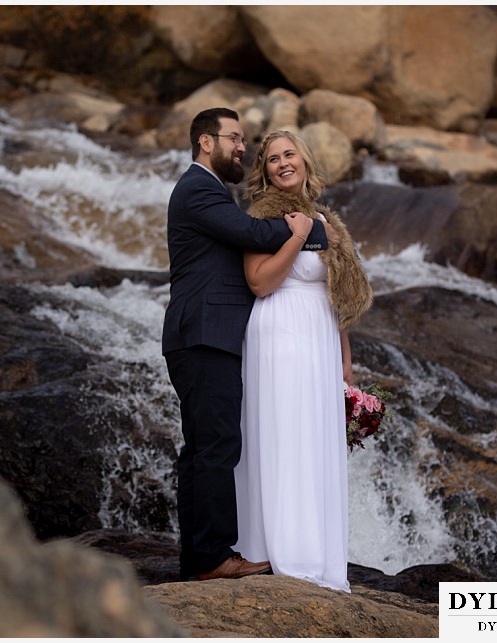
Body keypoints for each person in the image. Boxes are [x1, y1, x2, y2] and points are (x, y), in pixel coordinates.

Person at [162, 108, 340, 582]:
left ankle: (202, 556)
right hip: (203, 333)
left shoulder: (208, 189)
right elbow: (250, 232)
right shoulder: (198, 187)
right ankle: (213, 557)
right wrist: (311, 230)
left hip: (206, 334)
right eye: (235, 139)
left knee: (205, 447)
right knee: (215, 445)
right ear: (206, 141)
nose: (243, 147)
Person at [234, 130, 373, 591]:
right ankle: (287, 554)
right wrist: (296, 239)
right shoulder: (263, 216)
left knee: (315, 438)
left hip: (320, 337)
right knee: (287, 433)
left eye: (288, 154)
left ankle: (320, 555)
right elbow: (258, 282)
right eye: (272, 159)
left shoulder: (327, 219)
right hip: (280, 330)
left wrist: (345, 359)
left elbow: (339, 296)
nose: (281, 163)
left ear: (306, 161)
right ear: (265, 171)